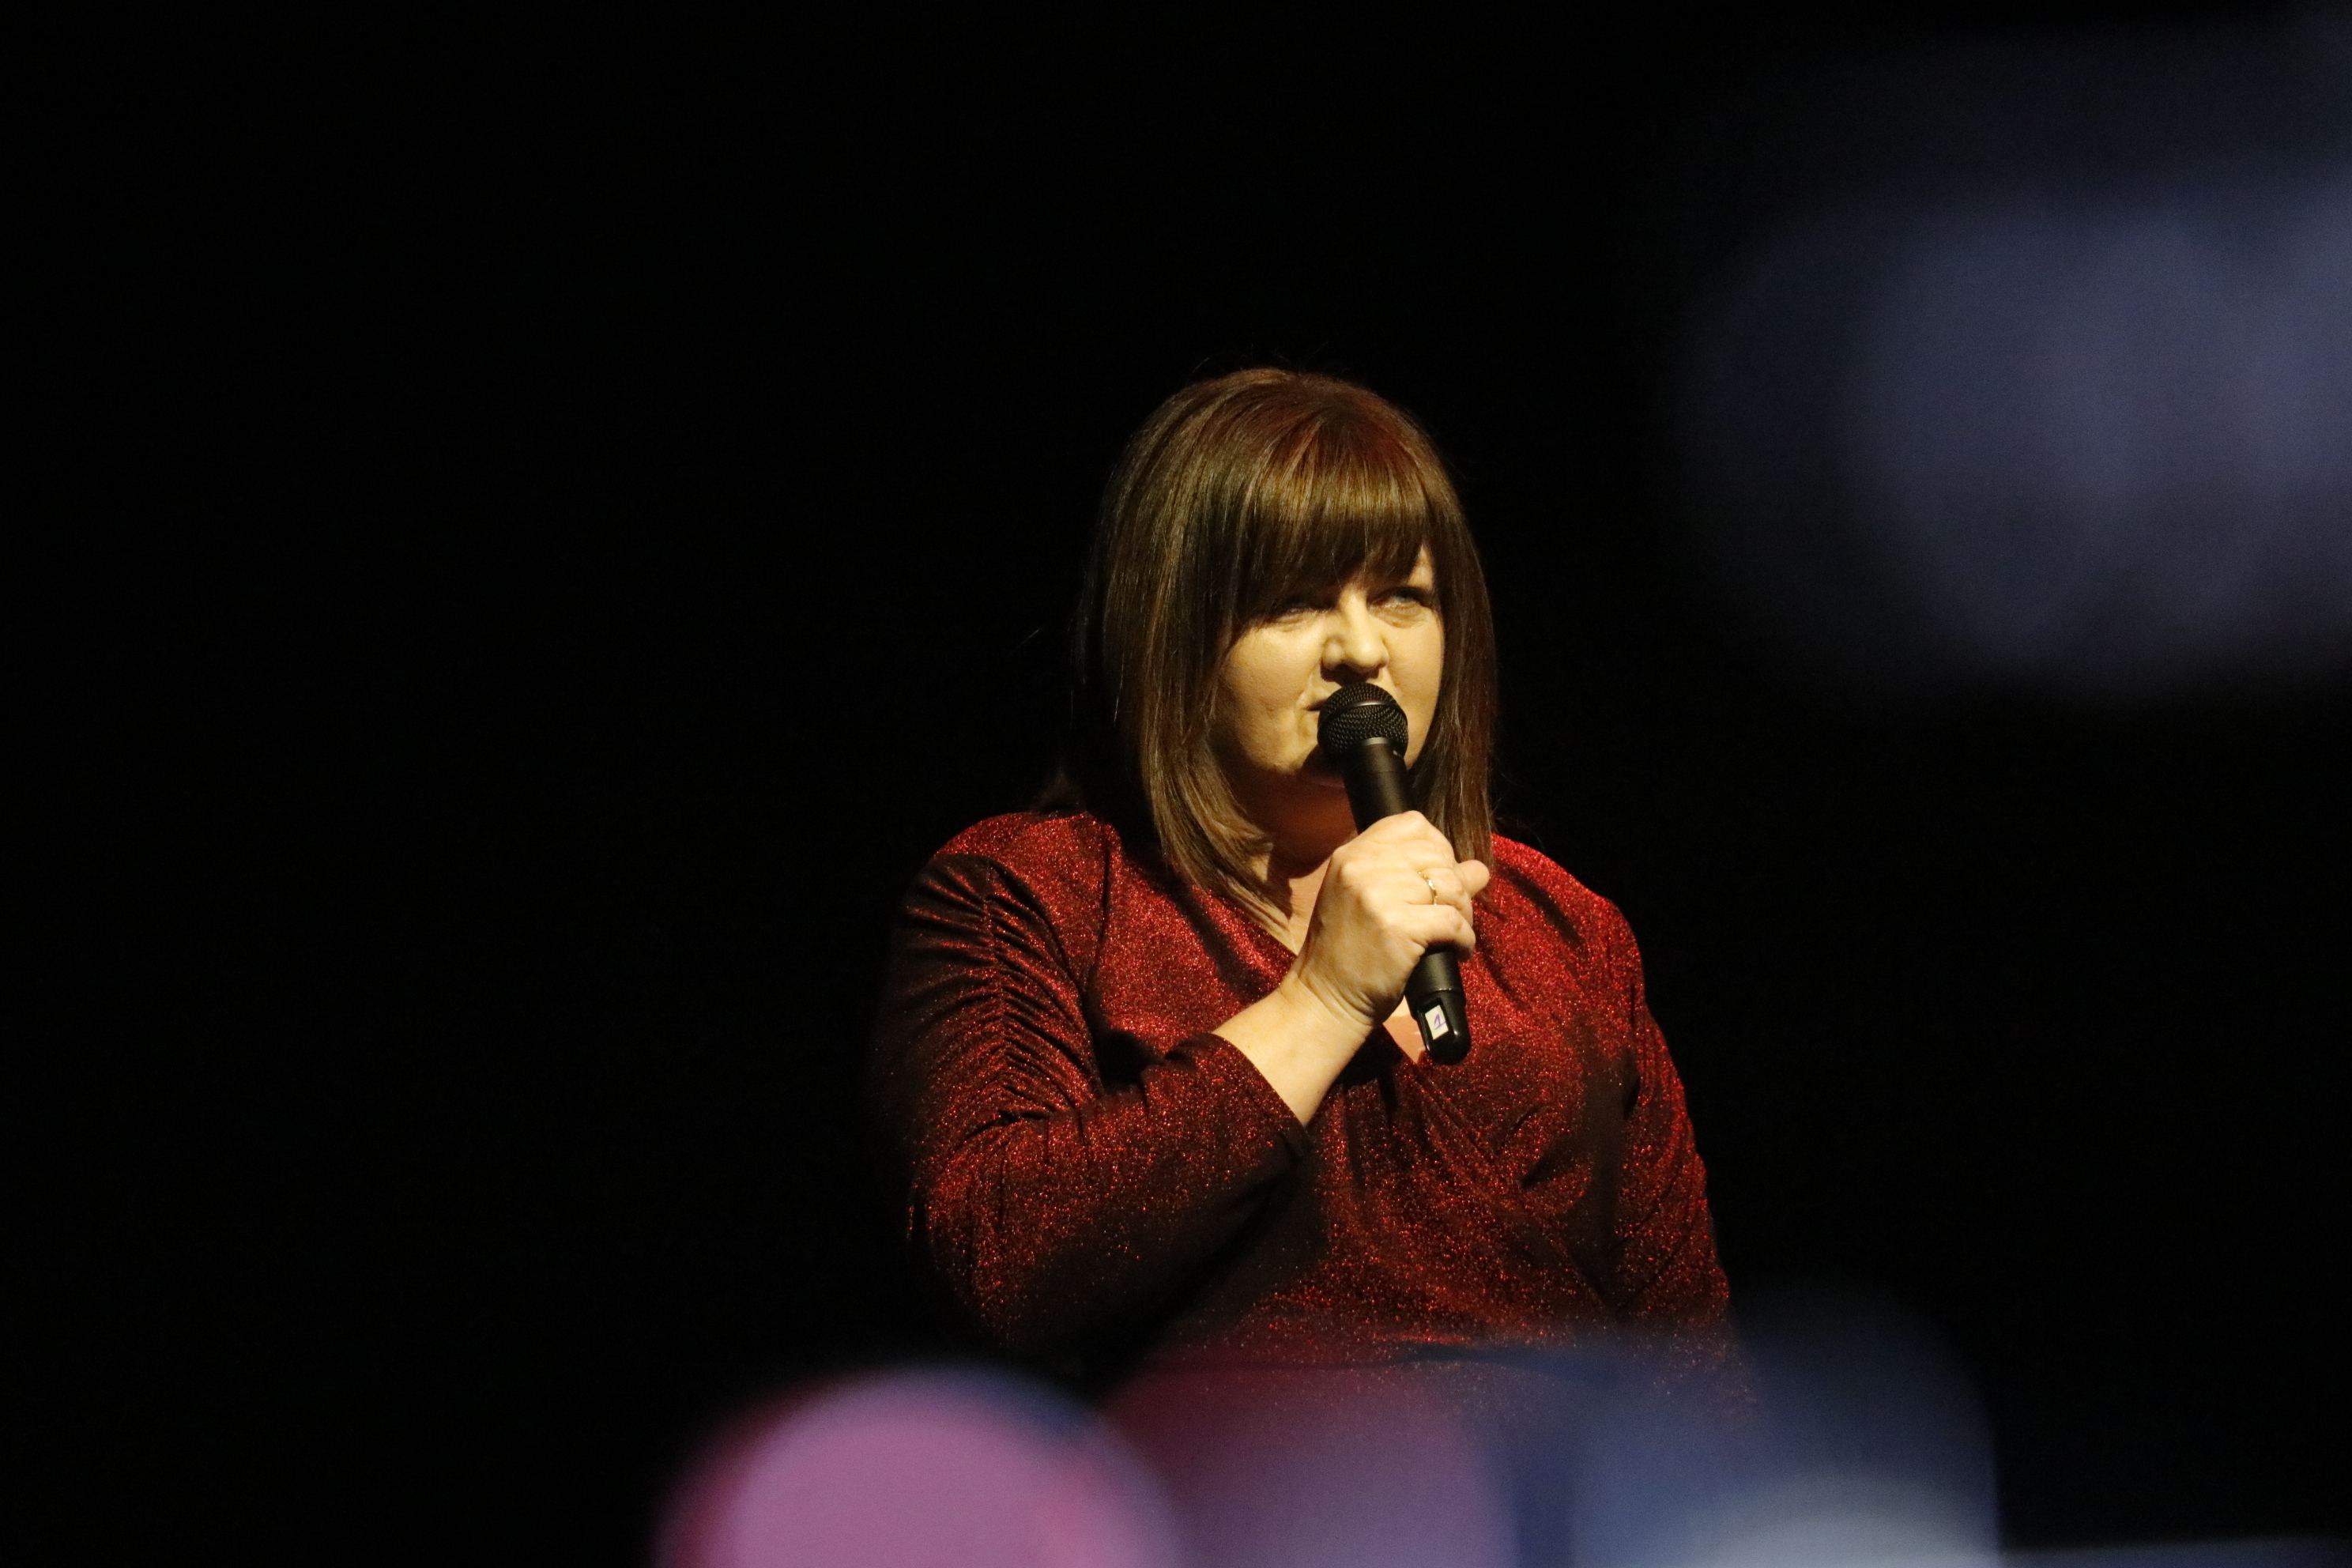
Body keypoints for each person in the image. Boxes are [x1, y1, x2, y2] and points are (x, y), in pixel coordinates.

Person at [869, 369, 1729, 1393]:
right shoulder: (1027, 894)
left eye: (1402, 597)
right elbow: (1002, 1263)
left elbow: (1689, 1350)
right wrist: (1320, 1001)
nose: (1362, 650)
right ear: (1175, 629)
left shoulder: (1565, 928)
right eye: (1296, 602)